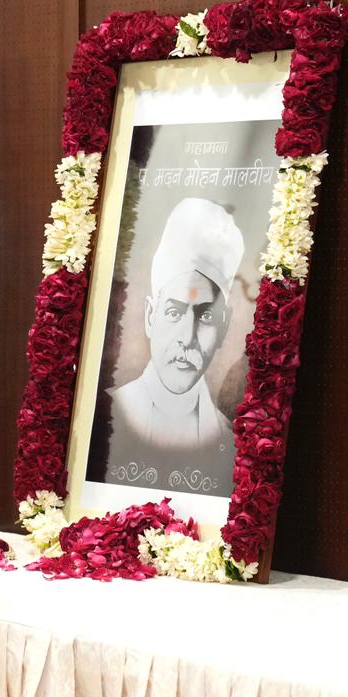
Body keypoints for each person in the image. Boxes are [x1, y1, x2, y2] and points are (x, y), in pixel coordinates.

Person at [103, 197, 244, 492]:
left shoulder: (230, 444)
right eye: (174, 312)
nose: (187, 337)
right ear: (151, 316)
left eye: (205, 315)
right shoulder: (107, 416)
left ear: (224, 326)